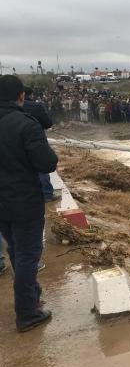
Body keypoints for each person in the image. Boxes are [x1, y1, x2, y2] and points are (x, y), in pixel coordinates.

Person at [0, 75, 58, 332]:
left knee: (14, 248)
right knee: (27, 255)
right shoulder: (26, 124)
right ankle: (26, 312)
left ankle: (31, 294)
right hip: (23, 201)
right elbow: (46, 163)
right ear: (21, 96)